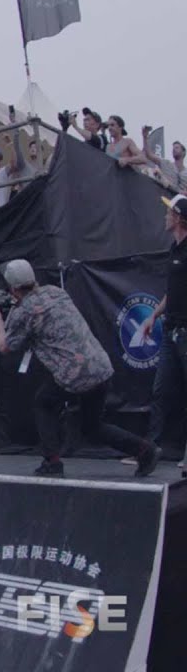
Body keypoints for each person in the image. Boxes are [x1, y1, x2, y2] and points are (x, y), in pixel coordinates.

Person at [0, 260, 160, 477]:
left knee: (43, 403)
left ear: (13, 289)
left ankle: (52, 462)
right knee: (91, 426)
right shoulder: (55, 292)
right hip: (100, 366)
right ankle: (144, 450)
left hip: (74, 374)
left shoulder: (23, 312)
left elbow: (5, 345)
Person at [140, 195, 187, 473]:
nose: (165, 215)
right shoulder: (174, 249)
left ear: (180, 218)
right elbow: (173, 293)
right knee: (160, 392)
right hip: (170, 332)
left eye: (170, 212)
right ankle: (147, 451)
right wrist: (152, 316)